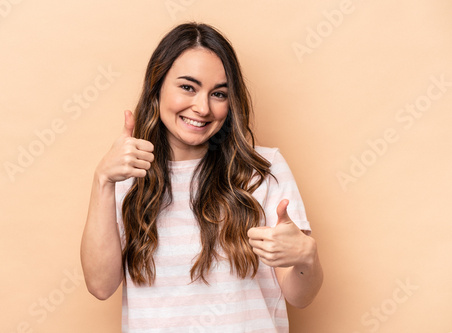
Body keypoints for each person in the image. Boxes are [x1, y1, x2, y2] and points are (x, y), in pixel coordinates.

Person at [80, 22, 323, 332]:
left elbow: (299, 296)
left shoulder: (264, 171)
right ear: (157, 88)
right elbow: (100, 286)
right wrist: (103, 180)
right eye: (187, 87)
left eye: (218, 94)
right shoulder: (126, 173)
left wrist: (306, 258)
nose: (202, 107)